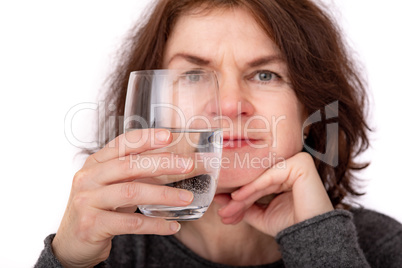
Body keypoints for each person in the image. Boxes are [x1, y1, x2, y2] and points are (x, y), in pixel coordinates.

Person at [36, 0, 402, 267]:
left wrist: (320, 244)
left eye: (265, 75)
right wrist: (66, 262)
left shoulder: (384, 248)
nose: (228, 105)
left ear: (311, 106)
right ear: (151, 104)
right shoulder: (106, 251)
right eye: (194, 74)